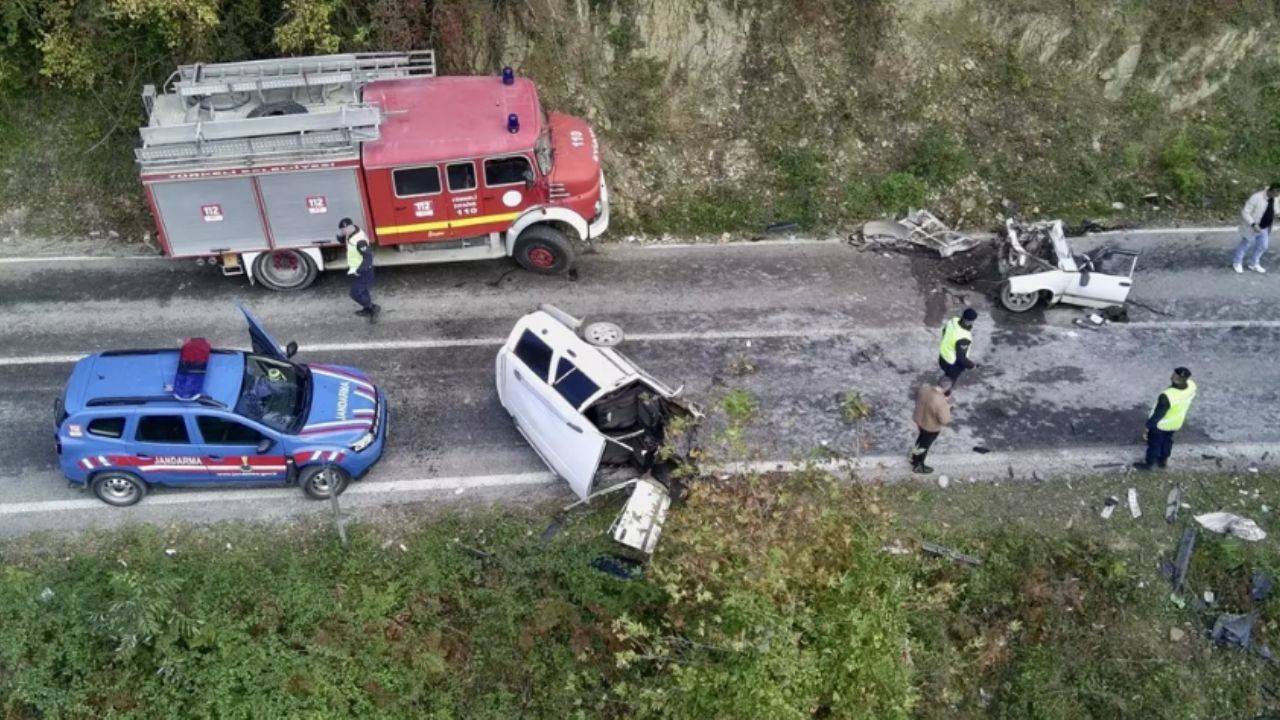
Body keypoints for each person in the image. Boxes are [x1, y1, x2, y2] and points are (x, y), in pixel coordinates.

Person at [1134, 367, 1197, 471]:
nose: (1172, 375)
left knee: (1154, 444)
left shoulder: (1167, 396)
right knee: (1167, 441)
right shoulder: (1191, 386)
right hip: (1176, 422)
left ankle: (1149, 464)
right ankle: (1163, 461)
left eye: (1174, 374)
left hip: (1161, 425)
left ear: (1175, 378)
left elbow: (1158, 415)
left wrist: (1148, 427)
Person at [339, 218, 379, 322]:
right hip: (356, 269)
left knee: (355, 293)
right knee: (362, 291)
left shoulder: (360, 240)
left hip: (363, 271)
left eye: (343, 230)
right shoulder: (352, 232)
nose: (342, 232)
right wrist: (341, 239)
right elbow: (350, 245)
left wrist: (359, 270)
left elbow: (368, 257)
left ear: (348, 228)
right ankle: (368, 308)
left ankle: (372, 308)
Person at [1233, 183, 1277, 274]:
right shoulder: (1256, 197)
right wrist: (1253, 224)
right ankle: (1237, 262)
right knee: (1245, 245)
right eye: (1277, 193)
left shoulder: (1275, 198)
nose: (1278, 196)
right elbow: (1245, 212)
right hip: (1252, 227)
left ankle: (1254, 263)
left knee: (1263, 246)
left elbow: (1276, 210)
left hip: (1265, 227)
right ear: (1272, 191)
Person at [910, 383, 952, 474]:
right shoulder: (940, 402)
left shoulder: (925, 388)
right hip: (930, 427)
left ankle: (914, 457)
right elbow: (945, 420)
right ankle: (918, 465)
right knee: (925, 445)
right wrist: (947, 407)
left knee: (920, 440)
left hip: (920, 421)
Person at [938, 308, 978, 390]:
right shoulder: (963, 336)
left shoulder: (953, 321)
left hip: (942, 357)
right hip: (952, 364)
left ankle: (942, 385)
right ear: (971, 321)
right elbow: (961, 358)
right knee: (950, 381)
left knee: (946, 376)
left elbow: (944, 331)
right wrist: (972, 366)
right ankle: (944, 395)